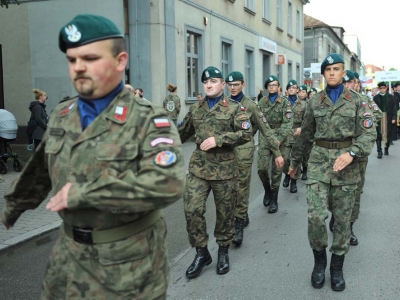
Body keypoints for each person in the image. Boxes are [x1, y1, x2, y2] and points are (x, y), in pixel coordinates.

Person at [1, 14, 185, 299]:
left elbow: (168, 183)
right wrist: (13, 206)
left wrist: (85, 194)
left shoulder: (150, 120)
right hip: (68, 256)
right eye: (72, 60)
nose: (78, 68)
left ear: (120, 61)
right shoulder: (64, 114)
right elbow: (41, 168)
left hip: (129, 263)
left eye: (90, 58)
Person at [288, 53, 376, 291]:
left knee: (342, 220)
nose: (333, 73)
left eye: (337, 69)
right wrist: (295, 162)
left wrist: (353, 153)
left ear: (343, 72)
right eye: (328, 70)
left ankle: (336, 267)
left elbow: (369, 133)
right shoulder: (315, 102)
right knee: (316, 217)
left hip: (346, 165)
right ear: (324, 74)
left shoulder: (358, 101)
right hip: (318, 162)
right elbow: (306, 134)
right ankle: (319, 263)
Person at [178, 66, 252, 279]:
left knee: (225, 213)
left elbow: (246, 133)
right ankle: (201, 252)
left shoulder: (235, 108)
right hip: (199, 169)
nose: (209, 85)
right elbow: (181, 134)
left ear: (222, 85)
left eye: (213, 81)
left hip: (225, 170)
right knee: (192, 210)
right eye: (205, 82)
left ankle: (222, 251)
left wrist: (219, 140)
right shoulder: (196, 109)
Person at [225, 71, 283, 245]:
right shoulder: (223, 104)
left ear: (243, 84)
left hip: (243, 150)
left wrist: (278, 153)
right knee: (229, 188)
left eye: (236, 84)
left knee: (241, 185)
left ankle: (238, 223)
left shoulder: (251, 106)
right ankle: (242, 215)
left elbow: (265, 129)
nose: (233, 87)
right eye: (230, 85)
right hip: (226, 152)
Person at [329, 70, 382, 247]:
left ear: (356, 83)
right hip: (335, 153)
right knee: (333, 188)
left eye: (350, 82)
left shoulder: (364, 100)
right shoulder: (332, 100)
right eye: (344, 82)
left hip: (357, 155)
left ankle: (349, 226)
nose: (347, 86)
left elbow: (377, 116)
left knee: (355, 191)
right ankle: (335, 216)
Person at [258, 75, 292, 213]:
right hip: (265, 137)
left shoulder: (285, 102)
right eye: (269, 85)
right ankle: (267, 189)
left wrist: (279, 138)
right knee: (262, 168)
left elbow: (288, 122)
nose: (272, 87)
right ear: (267, 87)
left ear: (279, 88)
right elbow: (257, 120)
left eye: (275, 85)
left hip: (280, 140)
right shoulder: (261, 103)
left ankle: (274, 199)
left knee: (277, 170)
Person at [281, 80, 306, 193]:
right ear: (287, 90)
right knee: (285, 158)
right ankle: (287, 173)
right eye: (289, 87)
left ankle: (294, 181)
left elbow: (307, 119)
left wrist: (301, 128)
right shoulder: (282, 102)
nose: (291, 89)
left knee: (296, 159)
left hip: (297, 133)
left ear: (297, 90)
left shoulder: (303, 104)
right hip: (285, 134)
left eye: (293, 87)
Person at [373, 82, 396, 157]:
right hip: (379, 118)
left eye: (384, 88)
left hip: (388, 117)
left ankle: (386, 148)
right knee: (378, 134)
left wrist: (394, 117)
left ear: (386, 88)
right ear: (379, 89)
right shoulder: (375, 97)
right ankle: (379, 151)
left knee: (388, 134)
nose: (382, 89)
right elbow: (373, 109)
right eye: (381, 88)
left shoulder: (391, 97)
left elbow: (394, 108)